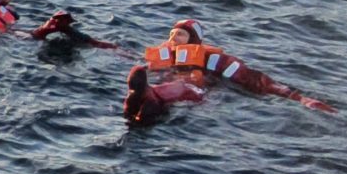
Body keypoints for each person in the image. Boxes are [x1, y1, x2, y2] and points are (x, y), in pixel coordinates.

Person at [141, 19, 336, 111]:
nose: (173, 39)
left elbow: (254, 79)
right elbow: (135, 59)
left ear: (193, 39)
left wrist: (300, 98)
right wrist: (111, 47)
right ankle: (148, 95)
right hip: (169, 86)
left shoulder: (213, 59)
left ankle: (153, 95)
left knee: (186, 90)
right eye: (171, 35)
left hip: (203, 91)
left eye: (180, 34)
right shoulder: (165, 56)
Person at [123, 65, 206, 126]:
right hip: (181, 86)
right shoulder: (137, 93)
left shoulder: (151, 101)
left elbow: (140, 121)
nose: (132, 93)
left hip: (192, 93)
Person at [29, 10, 118, 59]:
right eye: (58, 19)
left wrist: (111, 46)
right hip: (51, 47)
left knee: (94, 43)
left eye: (63, 20)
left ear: (68, 22)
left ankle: (117, 49)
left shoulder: (71, 31)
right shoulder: (48, 27)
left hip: (70, 48)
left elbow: (93, 42)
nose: (59, 21)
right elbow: (37, 35)